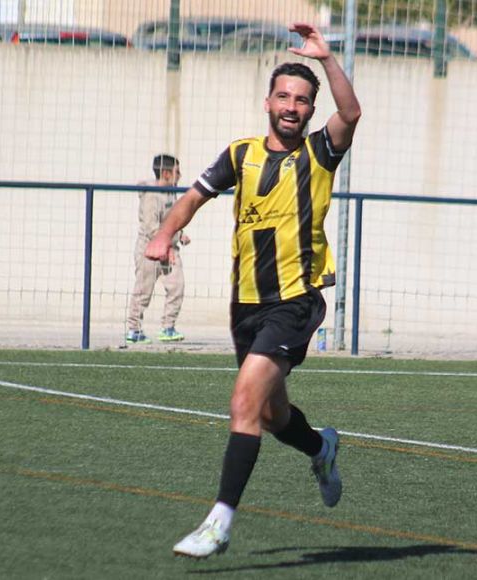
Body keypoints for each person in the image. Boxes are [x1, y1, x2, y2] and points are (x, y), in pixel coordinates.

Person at [145, 22, 361, 559]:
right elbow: (194, 195)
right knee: (271, 415)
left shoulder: (320, 154)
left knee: (243, 402)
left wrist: (328, 59)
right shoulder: (240, 155)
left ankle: (219, 523)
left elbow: (351, 114)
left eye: (303, 100)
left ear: (312, 110)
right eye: (284, 96)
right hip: (246, 305)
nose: (293, 106)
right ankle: (321, 447)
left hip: (296, 299)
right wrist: (165, 234)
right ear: (268, 101)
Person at [125, 154, 190, 344]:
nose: (180, 175)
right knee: (143, 289)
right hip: (150, 249)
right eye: (177, 171)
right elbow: (151, 226)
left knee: (177, 286)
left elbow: (171, 219)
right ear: (167, 173)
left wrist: (179, 235)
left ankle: (168, 327)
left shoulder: (171, 192)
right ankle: (134, 329)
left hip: (170, 247)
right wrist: (167, 244)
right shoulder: (151, 195)